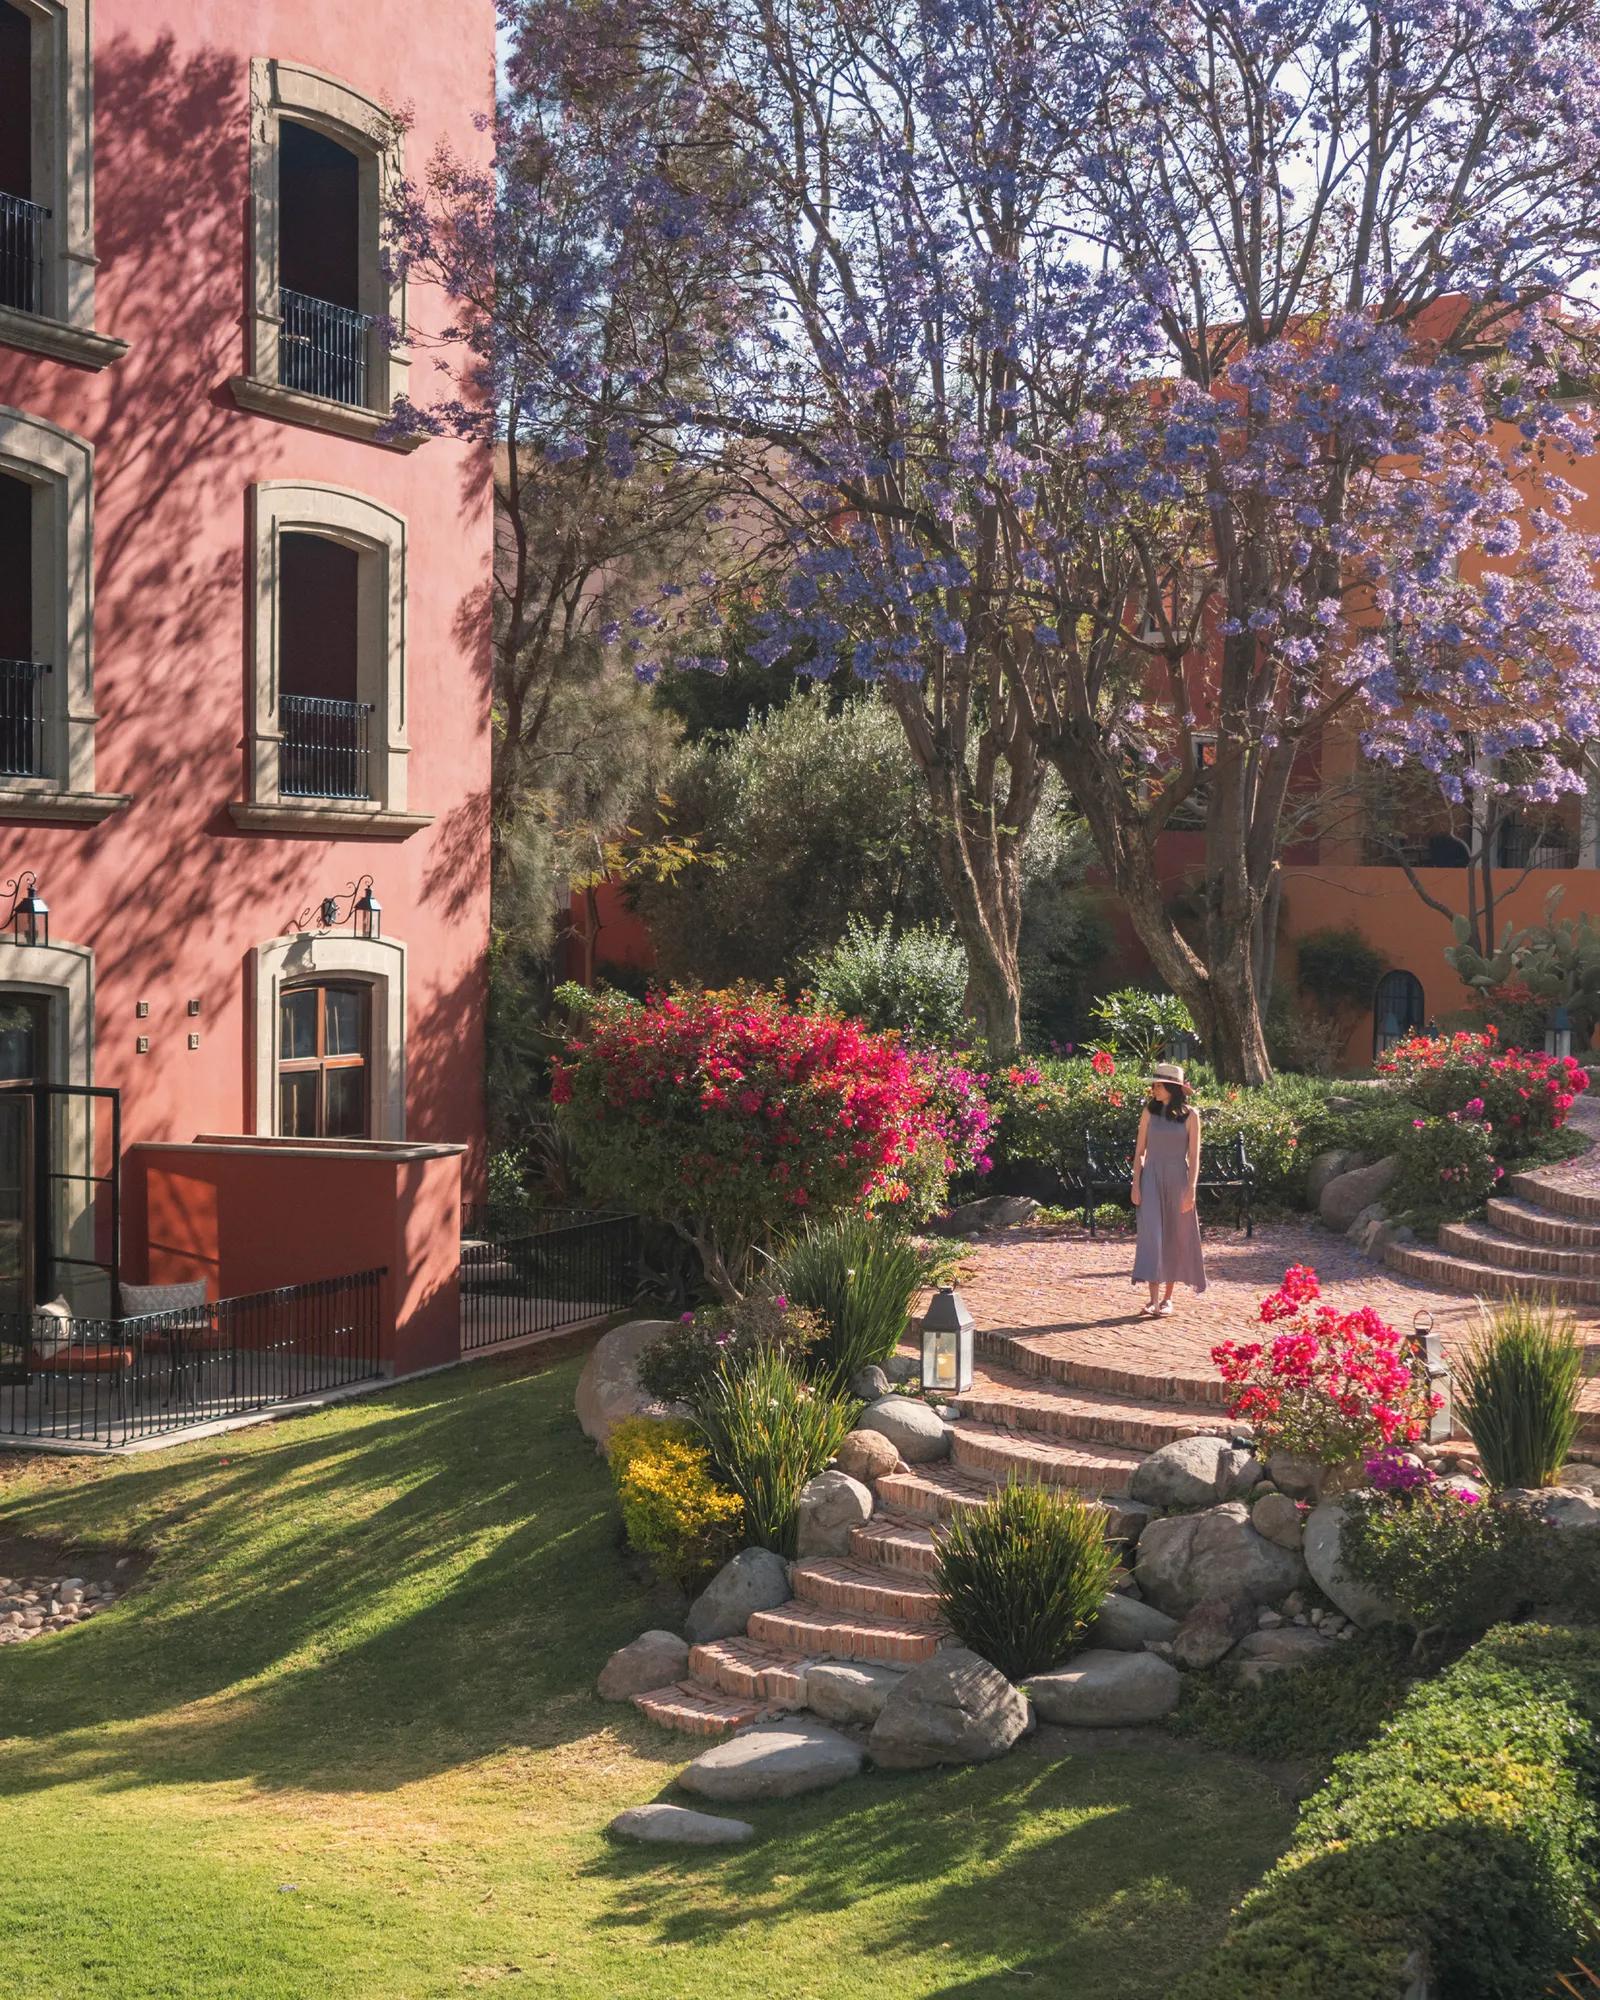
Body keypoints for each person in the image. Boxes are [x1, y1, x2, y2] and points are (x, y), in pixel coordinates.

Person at [1130, 1063, 1206, 1315]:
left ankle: (1167, 1299)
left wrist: (1191, 1189)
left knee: (1174, 1235)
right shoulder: (1148, 1112)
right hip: (1151, 1178)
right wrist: (1136, 1184)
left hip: (1178, 1180)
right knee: (1152, 1235)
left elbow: (1194, 1156)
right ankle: (1152, 1299)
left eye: (1158, 1085)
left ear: (1173, 1088)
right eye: (1153, 1085)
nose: (1154, 1089)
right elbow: (1139, 1151)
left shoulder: (1191, 1115)